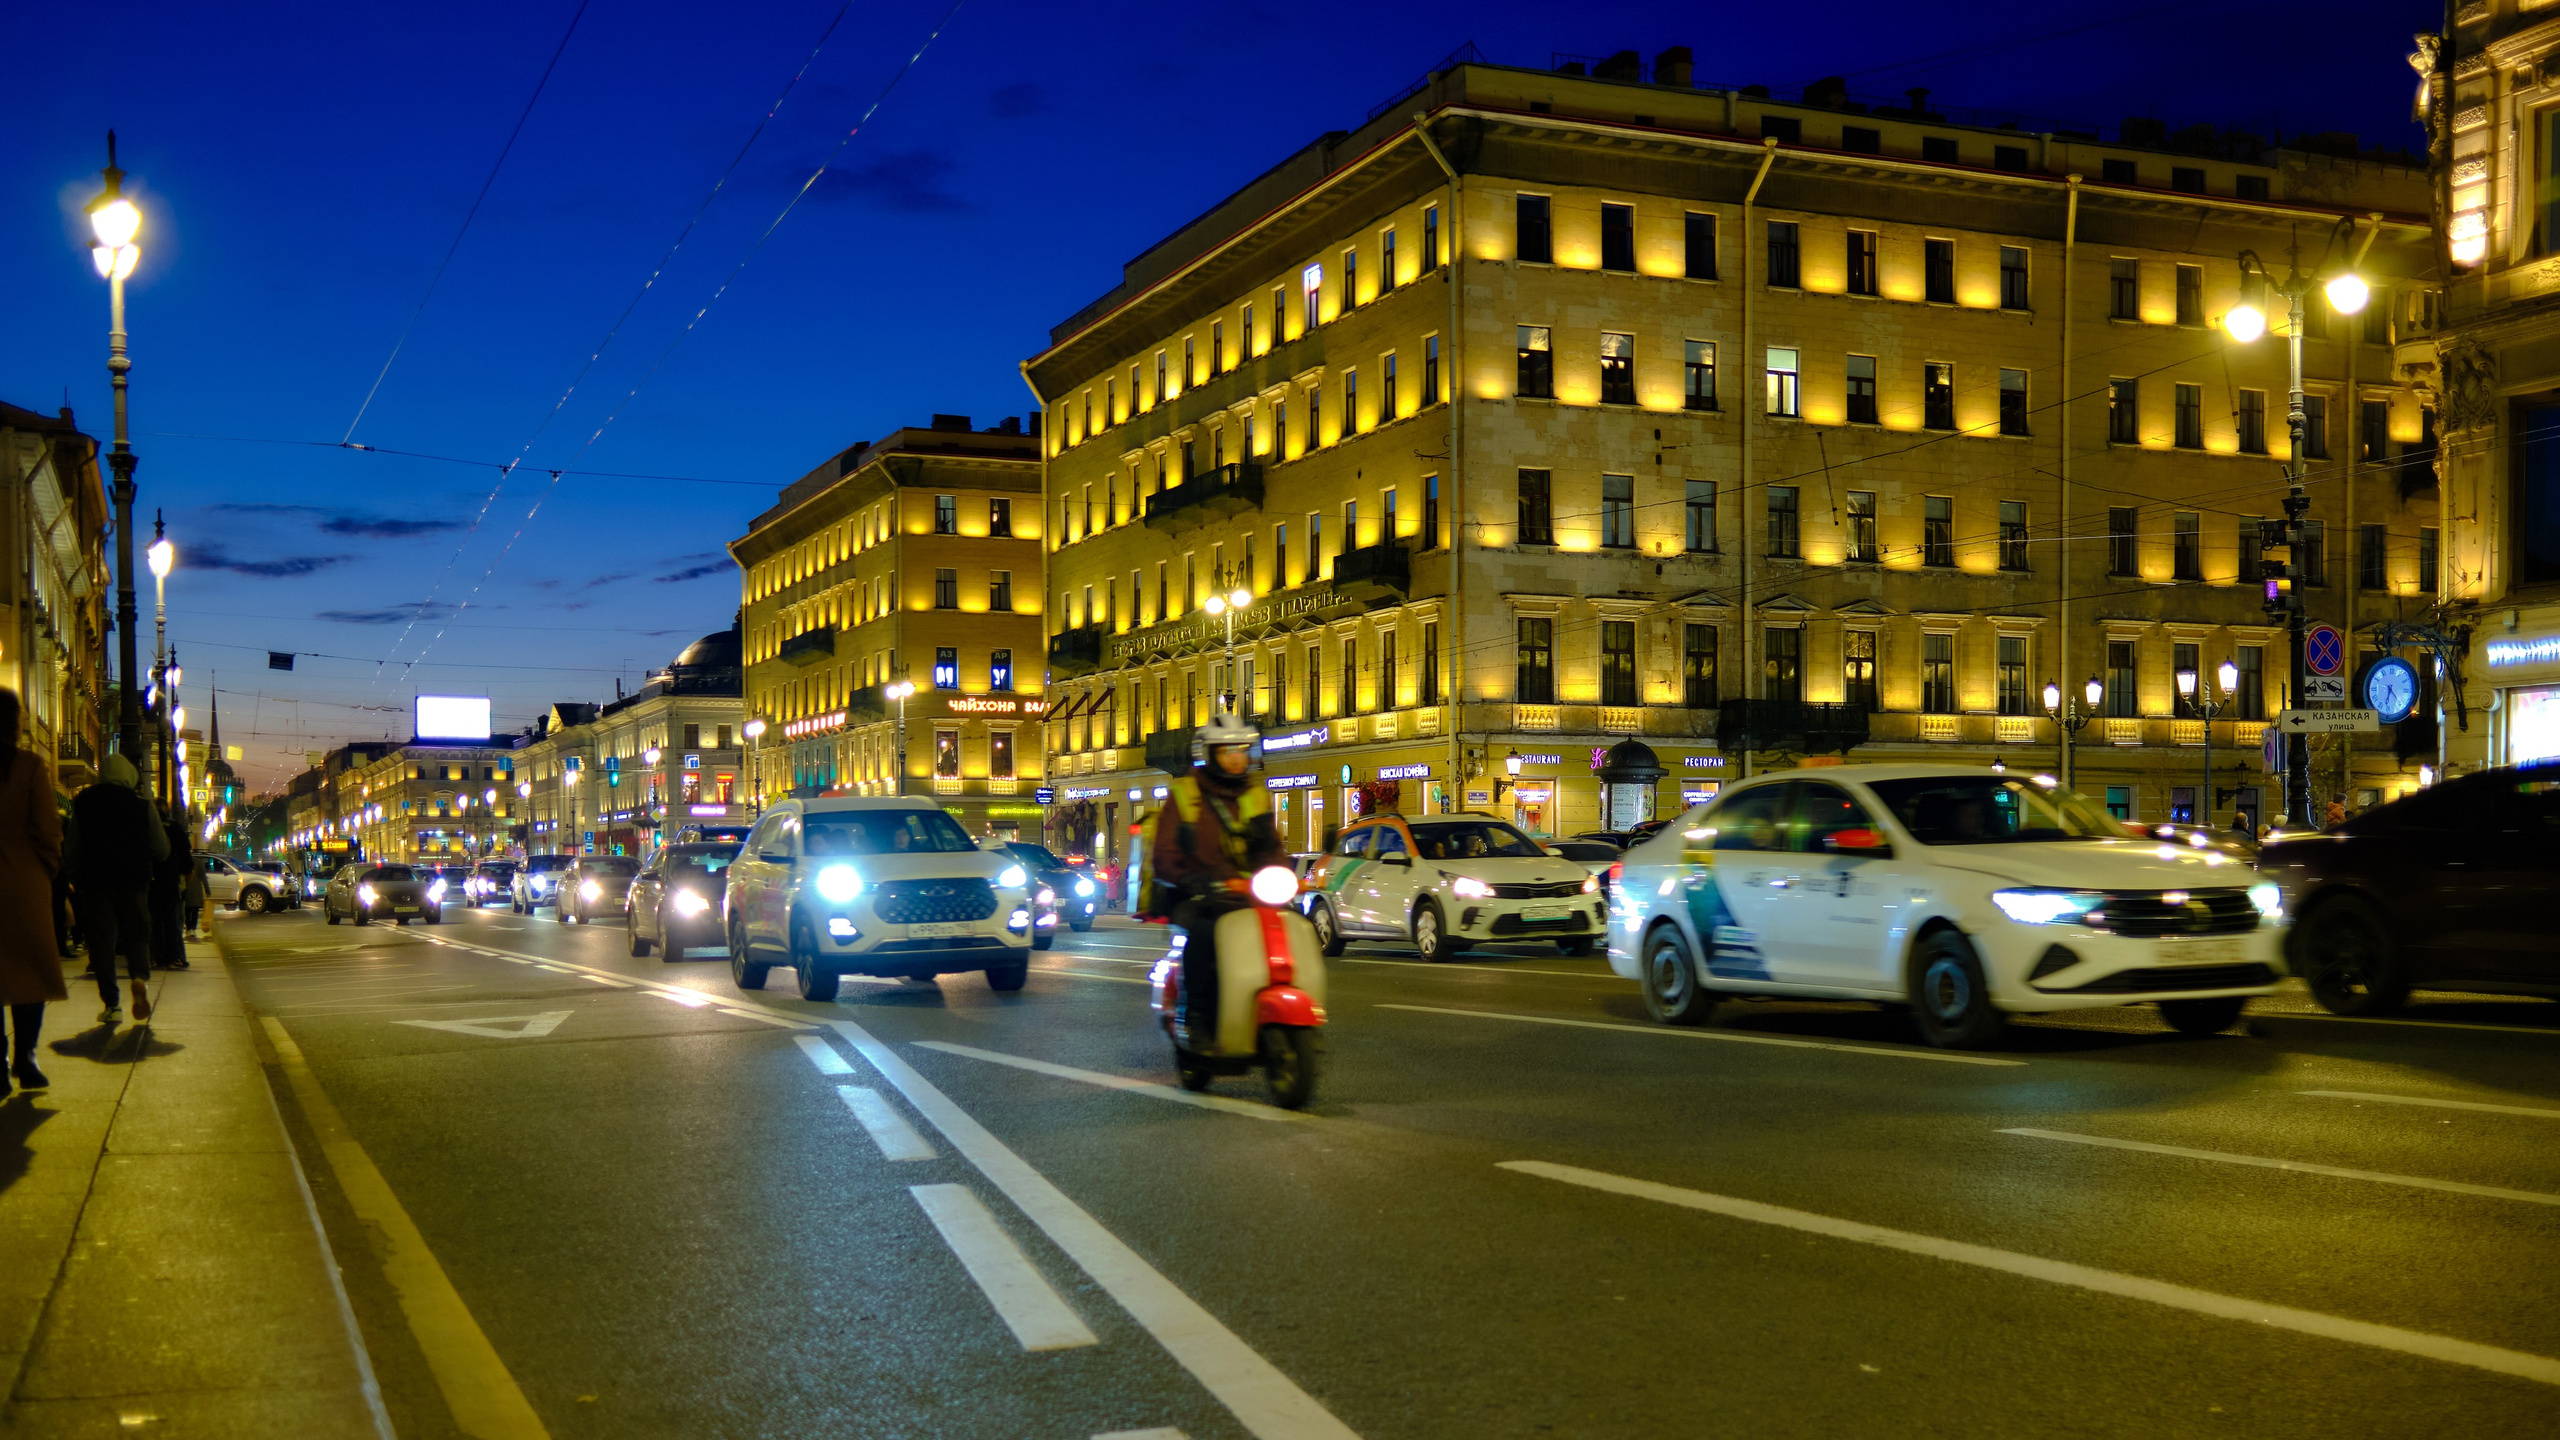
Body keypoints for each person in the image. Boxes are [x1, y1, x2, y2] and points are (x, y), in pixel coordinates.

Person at [1145, 711, 1284, 1049]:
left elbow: (1271, 847)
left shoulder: (1256, 795)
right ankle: (1197, 1020)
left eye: (1242, 751)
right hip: (1197, 897)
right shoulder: (1185, 797)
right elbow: (1164, 855)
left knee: (1291, 926)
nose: (1237, 760)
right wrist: (1191, 880)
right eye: (1228, 752)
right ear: (1210, 755)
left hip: (1247, 897)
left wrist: (1281, 873)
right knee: (1206, 938)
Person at [68, 753, 166, 1024]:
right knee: (137, 934)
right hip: (133, 883)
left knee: (101, 943)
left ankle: (112, 1005)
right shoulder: (142, 805)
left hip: (95, 884)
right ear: (130, 775)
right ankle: (139, 978)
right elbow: (161, 849)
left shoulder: (83, 803)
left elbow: (72, 846)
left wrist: (73, 875)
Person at [0, 692, 64, 1091]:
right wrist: (46, 870)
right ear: (16, 724)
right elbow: (48, 831)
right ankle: (25, 1057)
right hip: (22, 882)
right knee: (30, 971)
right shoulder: (29, 767)